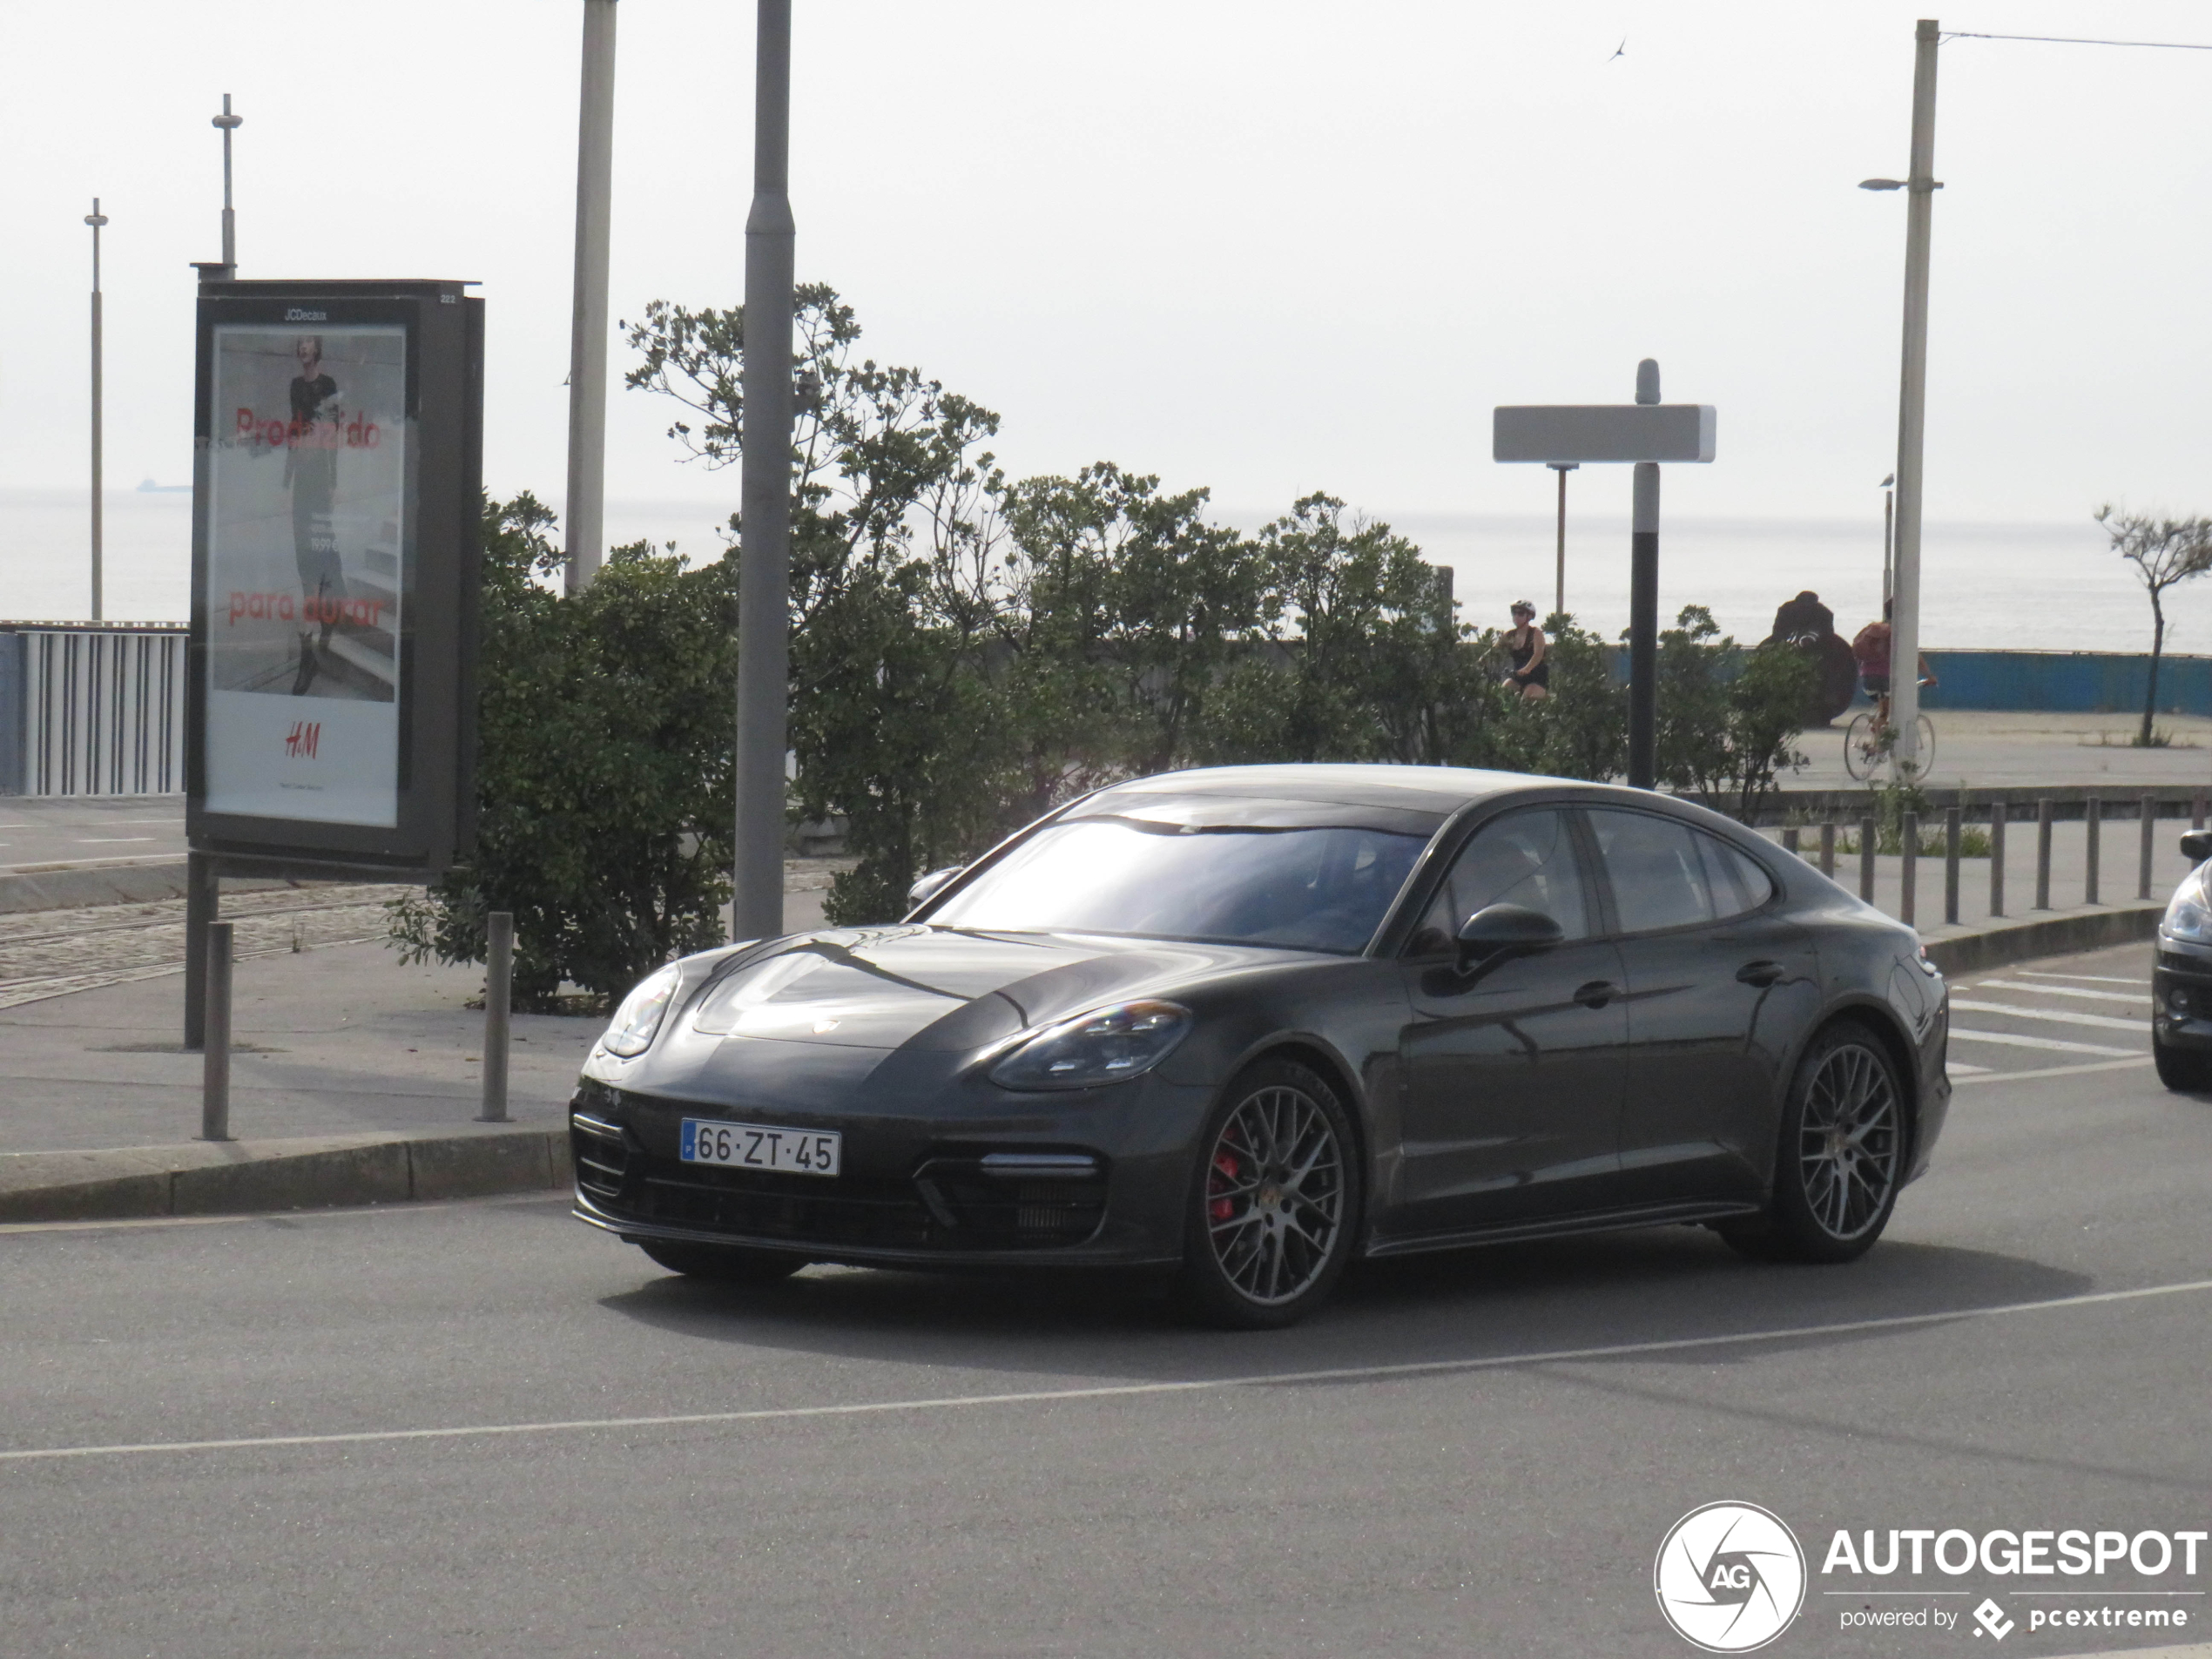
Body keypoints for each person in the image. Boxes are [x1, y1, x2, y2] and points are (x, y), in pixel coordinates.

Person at [284, 335, 345, 695]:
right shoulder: (295, 387)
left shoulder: (329, 386)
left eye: (309, 344)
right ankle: (316, 635)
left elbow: (332, 434)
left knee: (319, 549)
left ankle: (319, 631)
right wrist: (286, 482)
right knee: (303, 552)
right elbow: (294, 432)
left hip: (320, 478)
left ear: (317, 350)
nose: (303, 349)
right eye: (300, 344)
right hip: (303, 480)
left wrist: (334, 482)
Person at [1850, 598, 1937, 729]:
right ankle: (1879, 740)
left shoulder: (1872, 629)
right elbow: (1916, 658)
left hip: (1867, 679)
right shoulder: (1900, 633)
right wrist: (1930, 676)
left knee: (1884, 708)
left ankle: (1879, 732)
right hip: (1888, 679)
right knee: (1895, 706)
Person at [1503, 601, 1549, 701]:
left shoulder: (1536, 633)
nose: (1516, 616)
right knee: (1503, 692)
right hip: (1517, 677)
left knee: (1527, 699)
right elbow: (1494, 650)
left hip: (1536, 678)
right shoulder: (1509, 635)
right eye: (1514, 613)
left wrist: (1527, 669)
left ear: (1529, 616)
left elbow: (1538, 654)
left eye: (1520, 613)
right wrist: (1483, 659)